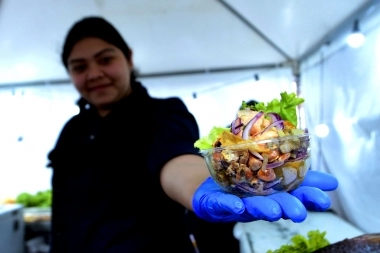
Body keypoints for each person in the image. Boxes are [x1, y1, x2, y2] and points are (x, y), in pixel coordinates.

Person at [46, 16, 338, 253]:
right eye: (79, 67)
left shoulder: (162, 113)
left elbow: (175, 158)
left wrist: (201, 184)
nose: (94, 73)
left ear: (129, 58)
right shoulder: (72, 130)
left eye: (105, 59)